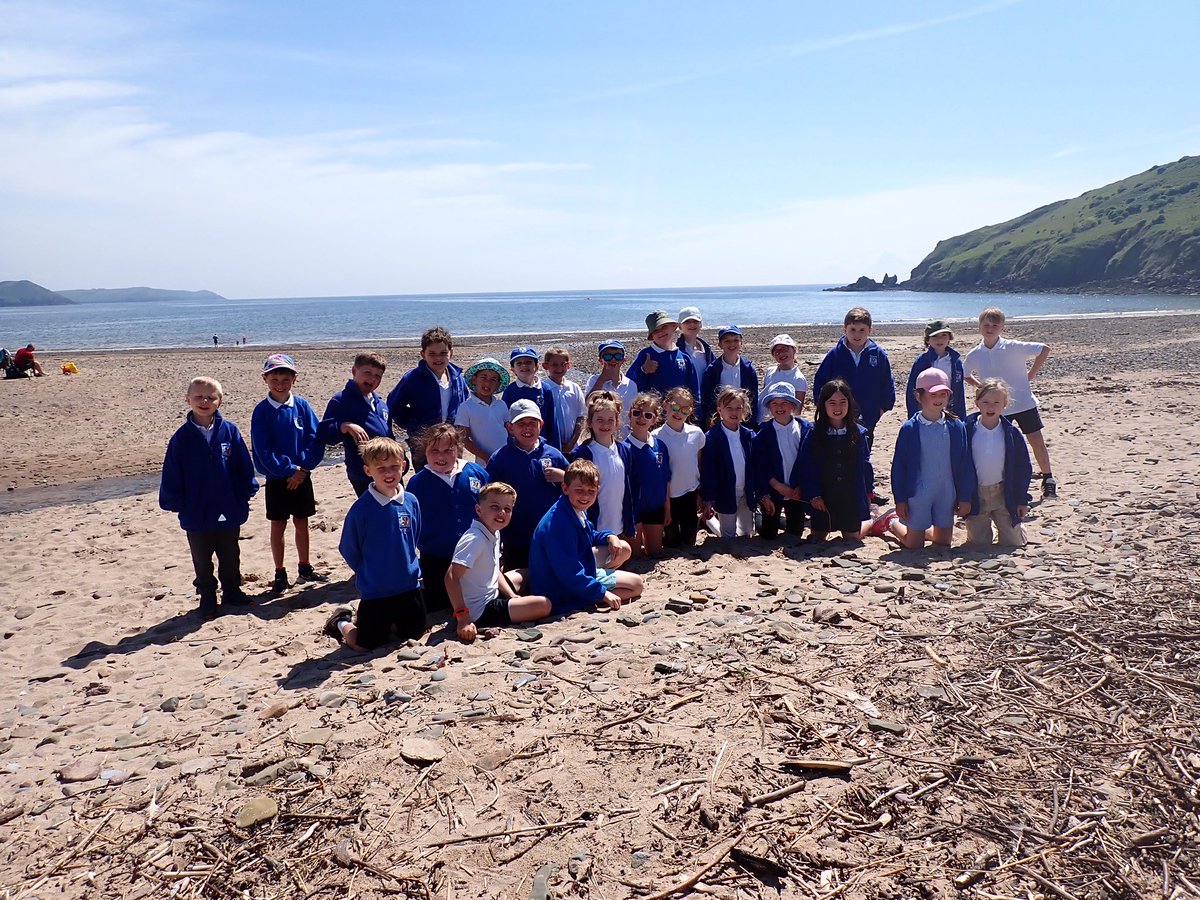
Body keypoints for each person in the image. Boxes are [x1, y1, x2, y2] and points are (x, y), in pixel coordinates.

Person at [159, 377, 259, 618]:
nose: (204, 401)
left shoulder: (229, 431)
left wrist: (246, 490)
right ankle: (207, 595)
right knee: (202, 557)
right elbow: (172, 470)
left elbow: (243, 465)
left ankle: (232, 590)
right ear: (188, 400)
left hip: (227, 504)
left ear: (220, 401)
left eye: (210, 397)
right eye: (198, 397)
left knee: (229, 552)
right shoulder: (181, 438)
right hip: (196, 508)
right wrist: (175, 500)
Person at [326, 438, 424, 652]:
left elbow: (413, 537)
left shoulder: (411, 501)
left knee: (413, 634)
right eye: (381, 469)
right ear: (368, 470)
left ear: (404, 466)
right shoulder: (362, 509)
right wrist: (369, 571)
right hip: (376, 589)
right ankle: (341, 621)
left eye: (394, 467)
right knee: (364, 646)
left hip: (408, 585)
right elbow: (349, 548)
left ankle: (389, 621)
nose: (388, 474)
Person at [250, 353, 327, 595]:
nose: (280, 384)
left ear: (294, 379)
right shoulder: (262, 411)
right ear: (265, 379)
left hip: (302, 477)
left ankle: (304, 566)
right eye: (274, 379)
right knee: (278, 525)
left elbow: (315, 439)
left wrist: (303, 468)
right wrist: (288, 470)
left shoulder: (302, 406)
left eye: (285, 378)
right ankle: (280, 572)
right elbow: (263, 449)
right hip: (276, 479)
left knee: (302, 522)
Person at [876, 368, 976, 549]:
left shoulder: (956, 426)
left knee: (943, 543)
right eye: (933, 394)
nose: (939, 399)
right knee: (914, 545)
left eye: (943, 394)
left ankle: (923, 530)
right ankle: (891, 522)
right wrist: (900, 499)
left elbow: (965, 463)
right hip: (918, 493)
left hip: (946, 492)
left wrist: (965, 497)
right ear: (919, 396)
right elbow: (899, 466)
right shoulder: (910, 428)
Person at [528, 460, 644, 614]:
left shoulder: (573, 508)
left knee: (623, 548)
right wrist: (602, 593)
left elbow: (588, 535)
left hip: (576, 571)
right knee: (636, 585)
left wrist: (609, 536)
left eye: (591, 491)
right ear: (565, 488)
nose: (585, 496)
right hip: (559, 587)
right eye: (579, 490)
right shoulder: (558, 523)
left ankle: (591, 590)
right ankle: (589, 597)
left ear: (598, 490)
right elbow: (568, 572)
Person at [963, 307, 1056, 497]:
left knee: (1036, 441)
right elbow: (965, 374)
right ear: (979, 327)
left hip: (1024, 403)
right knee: (1002, 447)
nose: (990, 328)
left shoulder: (1013, 346)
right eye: (986, 325)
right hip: (997, 409)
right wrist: (981, 388)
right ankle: (1007, 484)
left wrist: (1031, 374)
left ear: (1002, 328)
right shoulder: (975, 354)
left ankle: (1048, 479)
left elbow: (1044, 349)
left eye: (995, 325)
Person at [446, 482, 553, 643]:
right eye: (494, 507)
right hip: (480, 609)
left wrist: (512, 595)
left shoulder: (492, 531)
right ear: (479, 510)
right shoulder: (474, 539)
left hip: (489, 589)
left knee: (527, 573)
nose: (501, 513)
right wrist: (463, 617)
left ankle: (513, 599)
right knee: (544, 605)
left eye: (507, 509)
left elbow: (495, 569)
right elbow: (451, 577)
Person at [812, 307, 895, 501]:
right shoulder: (835, 354)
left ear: (870, 331)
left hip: (867, 415)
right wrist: (824, 408)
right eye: (853, 330)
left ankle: (867, 491)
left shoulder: (878, 354)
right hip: (838, 415)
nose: (857, 335)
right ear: (844, 329)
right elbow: (820, 383)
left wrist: (882, 408)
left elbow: (887, 382)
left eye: (862, 330)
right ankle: (837, 489)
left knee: (863, 453)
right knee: (837, 452)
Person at [406, 424, 489, 613]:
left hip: (473, 553)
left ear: (458, 450)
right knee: (438, 604)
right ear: (425, 451)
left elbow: (491, 504)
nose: (441, 456)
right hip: (436, 555)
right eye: (434, 451)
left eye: (447, 450)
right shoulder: (419, 482)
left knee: (475, 596)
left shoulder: (474, 472)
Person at [484, 399, 569, 569]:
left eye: (532, 423)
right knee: (518, 575)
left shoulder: (553, 454)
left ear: (541, 424)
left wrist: (565, 477)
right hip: (515, 533)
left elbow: (576, 485)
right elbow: (487, 495)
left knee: (550, 571)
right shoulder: (500, 458)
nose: (527, 428)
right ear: (510, 428)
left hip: (550, 530)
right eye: (521, 423)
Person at [800, 379, 878, 542]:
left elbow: (865, 466)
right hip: (824, 496)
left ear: (849, 404)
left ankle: (874, 520)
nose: (838, 408)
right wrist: (814, 495)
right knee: (818, 536)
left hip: (849, 495)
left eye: (843, 402)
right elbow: (806, 466)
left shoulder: (858, 433)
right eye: (832, 403)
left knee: (852, 538)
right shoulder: (814, 433)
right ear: (823, 405)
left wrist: (868, 493)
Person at [387, 326, 469, 468]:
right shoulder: (412, 379)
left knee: (452, 477)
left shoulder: (457, 378)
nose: (438, 358)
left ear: (451, 353)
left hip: (451, 441)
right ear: (423, 354)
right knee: (426, 481)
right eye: (432, 354)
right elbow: (394, 404)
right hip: (423, 442)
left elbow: (463, 405)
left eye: (443, 353)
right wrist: (412, 425)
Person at [965, 378, 1032, 547]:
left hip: (1003, 492)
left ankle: (1017, 528)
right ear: (977, 403)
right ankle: (988, 529)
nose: (991, 406)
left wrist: (1022, 500)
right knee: (979, 544)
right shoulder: (966, 429)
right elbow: (958, 466)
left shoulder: (1011, 433)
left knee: (1013, 543)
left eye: (996, 402)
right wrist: (962, 498)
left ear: (1005, 404)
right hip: (976, 494)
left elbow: (1023, 467)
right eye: (985, 402)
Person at [319, 352, 391, 497]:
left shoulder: (380, 404)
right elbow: (323, 433)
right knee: (373, 514)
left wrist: (402, 458)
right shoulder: (341, 401)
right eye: (367, 373)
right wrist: (344, 426)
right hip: (362, 472)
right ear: (354, 371)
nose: (372, 379)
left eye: (378, 376)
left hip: (389, 469)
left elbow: (389, 435)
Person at [570, 392, 636, 544]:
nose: (605, 425)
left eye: (610, 420)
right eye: (599, 420)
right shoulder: (584, 453)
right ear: (590, 422)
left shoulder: (624, 450)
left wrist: (630, 522)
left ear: (617, 422)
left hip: (618, 524)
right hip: (594, 526)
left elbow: (629, 489)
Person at [753, 382, 811, 541]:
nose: (780, 407)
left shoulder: (805, 429)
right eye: (774, 403)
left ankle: (783, 521)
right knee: (768, 534)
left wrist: (800, 486)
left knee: (795, 534)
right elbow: (761, 466)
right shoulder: (763, 433)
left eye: (785, 402)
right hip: (773, 491)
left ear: (792, 405)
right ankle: (757, 516)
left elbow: (808, 462)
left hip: (796, 491)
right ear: (769, 407)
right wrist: (774, 487)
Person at [700, 386, 756, 538]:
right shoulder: (712, 437)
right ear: (719, 409)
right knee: (728, 536)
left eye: (738, 408)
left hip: (746, 492)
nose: (734, 412)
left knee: (746, 533)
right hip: (725, 493)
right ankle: (710, 521)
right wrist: (709, 498)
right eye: (729, 408)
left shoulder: (749, 435)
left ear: (744, 410)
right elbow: (708, 470)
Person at [652, 386, 705, 549]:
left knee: (689, 538)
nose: (678, 412)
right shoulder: (655, 436)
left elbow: (699, 463)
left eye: (685, 409)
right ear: (665, 405)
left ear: (690, 412)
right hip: (669, 497)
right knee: (672, 541)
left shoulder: (696, 433)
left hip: (690, 492)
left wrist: (701, 494)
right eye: (675, 407)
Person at [624, 392, 672, 558]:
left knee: (654, 553)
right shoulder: (624, 448)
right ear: (629, 414)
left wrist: (667, 509)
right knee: (634, 555)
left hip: (655, 507)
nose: (641, 418)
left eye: (647, 415)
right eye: (637, 413)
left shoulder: (660, 446)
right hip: (633, 510)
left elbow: (666, 479)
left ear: (654, 419)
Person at [629, 310, 698, 398]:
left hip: (679, 409)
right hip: (654, 409)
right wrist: (643, 371)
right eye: (656, 330)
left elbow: (694, 389)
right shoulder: (645, 355)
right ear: (652, 336)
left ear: (673, 327)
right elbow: (631, 385)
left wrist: (695, 410)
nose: (660, 332)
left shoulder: (684, 357)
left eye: (664, 327)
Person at [699, 325, 759, 427]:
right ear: (720, 344)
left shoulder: (748, 369)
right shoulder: (712, 370)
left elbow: (753, 398)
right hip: (719, 422)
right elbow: (707, 399)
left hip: (743, 421)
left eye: (736, 340)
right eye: (727, 341)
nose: (732, 344)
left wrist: (751, 423)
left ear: (741, 343)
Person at [455, 357, 512, 463]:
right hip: (484, 462)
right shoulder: (466, 407)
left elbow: (509, 432)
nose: (487, 383)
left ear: (498, 384)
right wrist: (487, 457)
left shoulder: (501, 404)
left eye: (493, 380)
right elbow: (464, 439)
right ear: (474, 379)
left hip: (506, 458)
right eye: (483, 377)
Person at [906, 320, 966, 421]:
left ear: (949, 338)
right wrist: (913, 416)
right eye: (935, 336)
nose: (940, 339)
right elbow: (912, 390)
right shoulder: (922, 361)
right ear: (928, 340)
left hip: (949, 410)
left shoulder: (956, 362)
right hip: (927, 411)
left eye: (944, 335)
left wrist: (961, 418)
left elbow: (959, 393)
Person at [502, 346, 559, 448]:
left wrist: (555, 447)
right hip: (518, 445)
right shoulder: (510, 391)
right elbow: (506, 422)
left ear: (537, 366)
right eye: (519, 363)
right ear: (512, 369)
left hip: (542, 445)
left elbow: (552, 421)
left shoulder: (546, 389)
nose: (524, 366)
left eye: (528, 362)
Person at [584, 339, 638, 437]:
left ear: (623, 359)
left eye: (617, 356)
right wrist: (602, 379)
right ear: (601, 361)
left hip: (624, 436)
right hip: (601, 435)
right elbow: (587, 404)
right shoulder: (594, 380)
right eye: (608, 356)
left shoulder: (631, 385)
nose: (613, 360)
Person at [542, 347, 587, 453]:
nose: (559, 368)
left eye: (563, 364)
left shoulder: (574, 388)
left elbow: (580, 417)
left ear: (569, 365)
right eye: (554, 364)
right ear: (545, 366)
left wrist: (572, 442)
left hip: (573, 445)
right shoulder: (543, 389)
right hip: (550, 445)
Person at [760, 334, 807, 421]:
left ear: (794, 350)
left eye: (785, 349)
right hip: (762, 420)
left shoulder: (799, 379)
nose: (781, 354)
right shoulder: (769, 371)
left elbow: (797, 410)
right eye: (777, 352)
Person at [676, 306, 715, 395]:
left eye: (695, 321)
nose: (692, 325)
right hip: (686, 402)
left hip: (706, 401)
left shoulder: (707, 350)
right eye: (687, 322)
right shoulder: (676, 351)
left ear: (700, 324)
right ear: (679, 326)